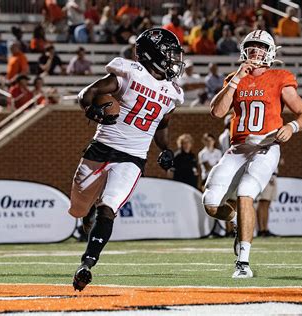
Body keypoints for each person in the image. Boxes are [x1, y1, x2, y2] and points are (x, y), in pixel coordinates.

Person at [69, 27, 185, 291]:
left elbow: (162, 124)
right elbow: (85, 95)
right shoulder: (129, 74)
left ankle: (87, 263)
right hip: (101, 148)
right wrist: (94, 110)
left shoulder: (172, 92)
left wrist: (164, 149)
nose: (174, 60)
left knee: (109, 206)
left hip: (133, 157)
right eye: (168, 54)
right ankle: (86, 214)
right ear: (151, 53)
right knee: (78, 208)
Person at [202, 30, 302, 278]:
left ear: (270, 52)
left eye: (261, 47)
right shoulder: (234, 78)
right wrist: (235, 80)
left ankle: (243, 262)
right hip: (238, 148)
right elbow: (217, 113)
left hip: (266, 146)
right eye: (251, 47)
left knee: (246, 192)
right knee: (210, 204)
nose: (255, 51)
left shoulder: (280, 77)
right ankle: (237, 220)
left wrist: (291, 127)